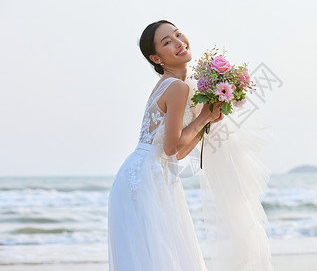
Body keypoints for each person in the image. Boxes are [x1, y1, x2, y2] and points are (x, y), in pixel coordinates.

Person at [108, 20, 273, 271]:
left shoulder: (174, 85)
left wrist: (206, 119)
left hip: (149, 174)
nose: (178, 42)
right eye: (167, 42)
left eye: (178, 34)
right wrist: (205, 117)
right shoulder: (176, 87)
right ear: (156, 58)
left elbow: (179, 151)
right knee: (162, 257)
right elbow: (170, 148)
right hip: (146, 178)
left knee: (158, 256)